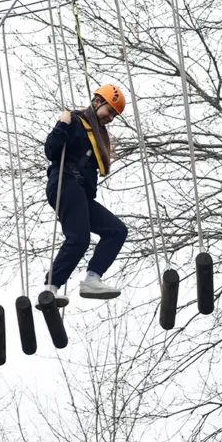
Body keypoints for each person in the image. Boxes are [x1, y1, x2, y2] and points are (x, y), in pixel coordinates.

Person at [42, 84, 128, 305]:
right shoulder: (75, 120)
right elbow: (51, 150)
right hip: (65, 182)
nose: (110, 118)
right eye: (109, 111)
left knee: (116, 230)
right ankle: (50, 288)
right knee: (79, 238)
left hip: (81, 193)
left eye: (114, 116)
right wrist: (62, 123)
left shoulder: (97, 133)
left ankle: (92, 278)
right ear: (98, 102)